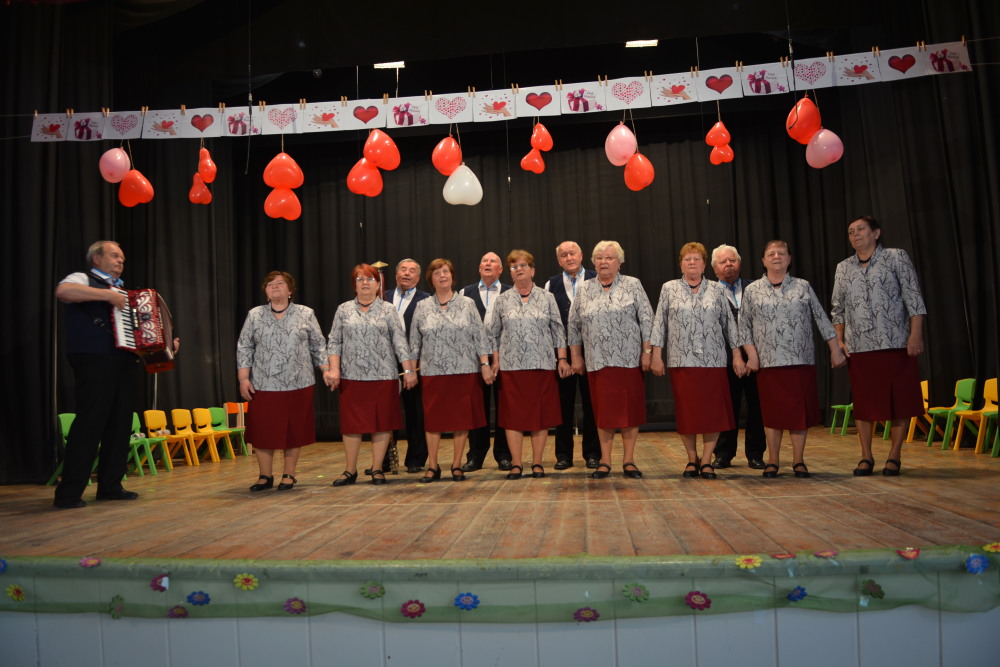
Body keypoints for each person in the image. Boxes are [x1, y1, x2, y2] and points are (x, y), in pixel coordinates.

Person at [53, 240, 178, 508]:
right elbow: (63, 291)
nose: (120, 261)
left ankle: (111, 486)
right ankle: (69, 492)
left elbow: (140, 335)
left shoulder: (125, 293)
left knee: (120, 425)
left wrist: (164, 344)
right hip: (94, 359)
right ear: (96, 258)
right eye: (114, 256)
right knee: (90, 423)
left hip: (124, 361)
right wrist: (106, 296)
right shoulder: (83, 278)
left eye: (122, 257)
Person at [738, 241, 847, 478]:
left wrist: (835, 348)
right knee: (772, 415)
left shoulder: (802, 286)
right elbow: (743, 327)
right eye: (771, 254)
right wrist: (752, 355)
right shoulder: (753, 290)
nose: (776, 256)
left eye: (781, 253)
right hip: (768, 364)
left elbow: (821, 318)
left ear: (789, 259)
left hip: (800, 361)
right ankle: (773, 461)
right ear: (763, 261)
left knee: (799, 416)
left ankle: (799, 461)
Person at [831, 216, 927, 476]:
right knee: (864, 403)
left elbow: (913, 297)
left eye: (860, 229)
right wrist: (839, 340)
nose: (855, 235)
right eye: (851, 232)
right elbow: (837, 308)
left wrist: (915, 334)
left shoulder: (896, 257)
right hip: (859, 347)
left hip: (895, 342)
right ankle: (866, 456)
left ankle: (894, 456)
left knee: (899, 402)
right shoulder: (843, 267)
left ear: (876, 233)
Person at [650, 242, 743, 480]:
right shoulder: (669, 288)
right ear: (681, 264)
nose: (692, 262)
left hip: (713, 361)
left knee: (713, 413)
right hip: (682, 362)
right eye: (687, 259)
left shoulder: (717, 290)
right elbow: (659, 323)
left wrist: (736, 355)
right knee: (688, 413)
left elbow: (730, 326)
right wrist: (656, 355)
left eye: (697, 259)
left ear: (704, 265)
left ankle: (707, 460)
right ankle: (692, 459)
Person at [324, 264, 418, 486]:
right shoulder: (343, 310)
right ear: (354, 285)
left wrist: (408, 371)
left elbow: (399, 342)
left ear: (378, 285)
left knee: (382, 424)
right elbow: (334, 342)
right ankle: (350, 470)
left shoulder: (388, 310)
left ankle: (377, 469)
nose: (365, 283)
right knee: (351, 426)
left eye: (370, 279)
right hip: (351, 377)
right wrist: (334, 369)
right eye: (360, 279)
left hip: (383, 376)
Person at [568, 241, 653, 479]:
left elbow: (647, 319)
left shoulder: (633, 284)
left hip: (629, 361)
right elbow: (573, 325)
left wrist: (647, 352)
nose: (603, 262)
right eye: (599, 258)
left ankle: (629, 460)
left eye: (609, 257)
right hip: (597, 361)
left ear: (619, 262)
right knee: (603, 413)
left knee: (629, 413)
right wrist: (576, 356)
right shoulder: (584, 289)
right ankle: (604, 461)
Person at [237, 271, 327, 492]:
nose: (275, 286)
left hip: (298, 382)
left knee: (293, 430)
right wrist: (243, 378)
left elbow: (318, 345)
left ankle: (289, 474)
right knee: (263, 430)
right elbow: (245, 347)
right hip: (263, 383)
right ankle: (264, 475)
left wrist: (326, 370)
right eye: (270, 284)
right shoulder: (255, 315)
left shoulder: (305, 313)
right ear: (265, 291)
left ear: (290, 290)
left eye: (280, 283)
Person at [488, 250, 571, 479]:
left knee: (540, 417)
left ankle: (537, 463)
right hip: (511, 367)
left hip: (542, 365)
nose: (519, 269)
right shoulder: (502, 299)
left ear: (532, 270)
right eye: (514, 267)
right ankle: (516, 464)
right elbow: (493, 334)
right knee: (512, 418)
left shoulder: (547, 297)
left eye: (523, 265)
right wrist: (496, 361)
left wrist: (562, 358)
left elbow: (558, 330)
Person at [410, 259, 494, 482]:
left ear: (452, 276)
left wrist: (485, 365)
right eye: (437, 273)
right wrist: (410, 371)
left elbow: (479, 337)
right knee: (433, 421)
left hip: (464, 370)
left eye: (446, 271)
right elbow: (414, 343)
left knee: (461, 420)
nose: (442, 276)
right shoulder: (422, 306)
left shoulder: (467, 303)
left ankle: (456, 465)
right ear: (431, 279)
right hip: (432, 372)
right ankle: (433, 466)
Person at [545, 241, 600, 470]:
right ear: (559, 260)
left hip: (593, 352)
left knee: (592, 405)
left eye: (572, 253)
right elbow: (550, 322)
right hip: (563, 353)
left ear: (581, 255)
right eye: (564, 255)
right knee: (563, 406)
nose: (569, 258)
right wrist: (561, 357)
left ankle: (593, 454)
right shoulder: (551, 284)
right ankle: (563, 455)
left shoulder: (597, 279)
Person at [710, 244, 766, 470]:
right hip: (723, 358)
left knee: (757, 407)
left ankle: (756, 454)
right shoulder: (709, 291)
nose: (728, 265)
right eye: (723, 262)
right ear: (714, 268)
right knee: (726, 408)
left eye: (732, 260)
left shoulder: (756, 288)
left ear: (740, 264)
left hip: (756, 357)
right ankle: (723, 453)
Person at [460, 251, 513, 472]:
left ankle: (504, 454)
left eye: (493, 261)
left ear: (500, 269)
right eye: (484, 261)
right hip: (474, 359)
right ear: (479, 268)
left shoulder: (511, 292)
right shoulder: (464, 293)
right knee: (477, 408)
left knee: (505, 407)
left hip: (505, 357)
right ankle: (476, 455)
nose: (488, 263)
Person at [391, 258, 431, 473]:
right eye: (403, 270)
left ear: (418, 277)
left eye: (412, 271)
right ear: (396, 274)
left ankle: (416, 458)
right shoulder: (382, 297)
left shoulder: (427, 300)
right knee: (387, 412)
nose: (407, 273)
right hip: (386, 362)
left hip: (415, 363)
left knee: (415, 412)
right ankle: (386, 459)